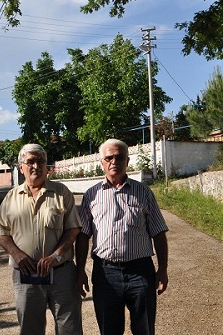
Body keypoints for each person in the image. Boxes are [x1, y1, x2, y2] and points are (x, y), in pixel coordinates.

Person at [75, 138, 169, 335]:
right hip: (105, 272)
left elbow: (158, 232)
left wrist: (163, 269)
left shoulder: (143, 192)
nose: (114, 162)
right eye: (109, 157)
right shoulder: (91, 195)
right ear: (102, 162)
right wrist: (80, 270)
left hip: (140, 272)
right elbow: (83, 235)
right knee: (109, 330)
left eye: (119, 157)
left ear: (127, 161)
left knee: (144, 329)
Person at [0, 143, 83, 335]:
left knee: (70, 327)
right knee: (30, 328)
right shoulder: (11, 197)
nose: (36, 165)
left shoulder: (62, 192)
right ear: (21, 167)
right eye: (30, 161)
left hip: (61, 273)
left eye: (40, 161)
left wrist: (57, 256)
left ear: (46, 165)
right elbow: (2, 233)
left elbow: (73, 229)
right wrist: (17, 255)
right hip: (26, 275)